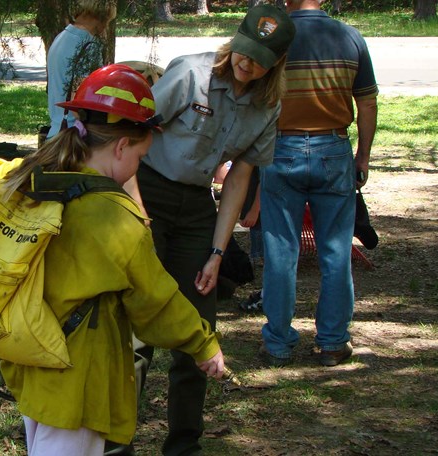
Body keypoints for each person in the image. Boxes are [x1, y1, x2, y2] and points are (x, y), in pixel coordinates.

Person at [0, 64, 225, 456]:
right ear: (121, 147)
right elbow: (156, 299)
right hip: (79, 373)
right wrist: (203, 344)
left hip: (32, 357)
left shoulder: (42, 184)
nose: (139, 166)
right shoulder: (115, 215)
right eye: (141, 155)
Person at [133, 5, 296, 455]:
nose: (247, 62)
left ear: (276, 63)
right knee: (136, 324)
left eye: (259, 57)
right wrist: (137, 216)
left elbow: (240, 176)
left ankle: (184, 444)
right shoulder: (190, 73)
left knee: (199, 328)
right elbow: (131, 134)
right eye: (244, 50)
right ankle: (115, 438)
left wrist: (218, 253)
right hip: (144, 189)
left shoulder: (268, 105)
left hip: (196, 206)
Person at [259, 0, 378, 367]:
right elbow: (368, 105)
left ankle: (277, 343)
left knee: (280, 252)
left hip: (280, 148)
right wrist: (363, 155)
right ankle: (332, 341)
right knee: (335, 252)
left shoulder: (272, 37)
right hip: (333, 148)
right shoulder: (349, 37)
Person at [46, 0, 116, 139]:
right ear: (100, 17)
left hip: (56, 130)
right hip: (73, 134)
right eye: (107, 21)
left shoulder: (62, 36)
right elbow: (79, 99)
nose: (105, 27)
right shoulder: (87, 44)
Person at [238, 166, 264, 312]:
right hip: (260, 217)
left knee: (264, 260)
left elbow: (264, 180)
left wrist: (254, 210)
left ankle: (266, 296)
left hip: (263, 217)